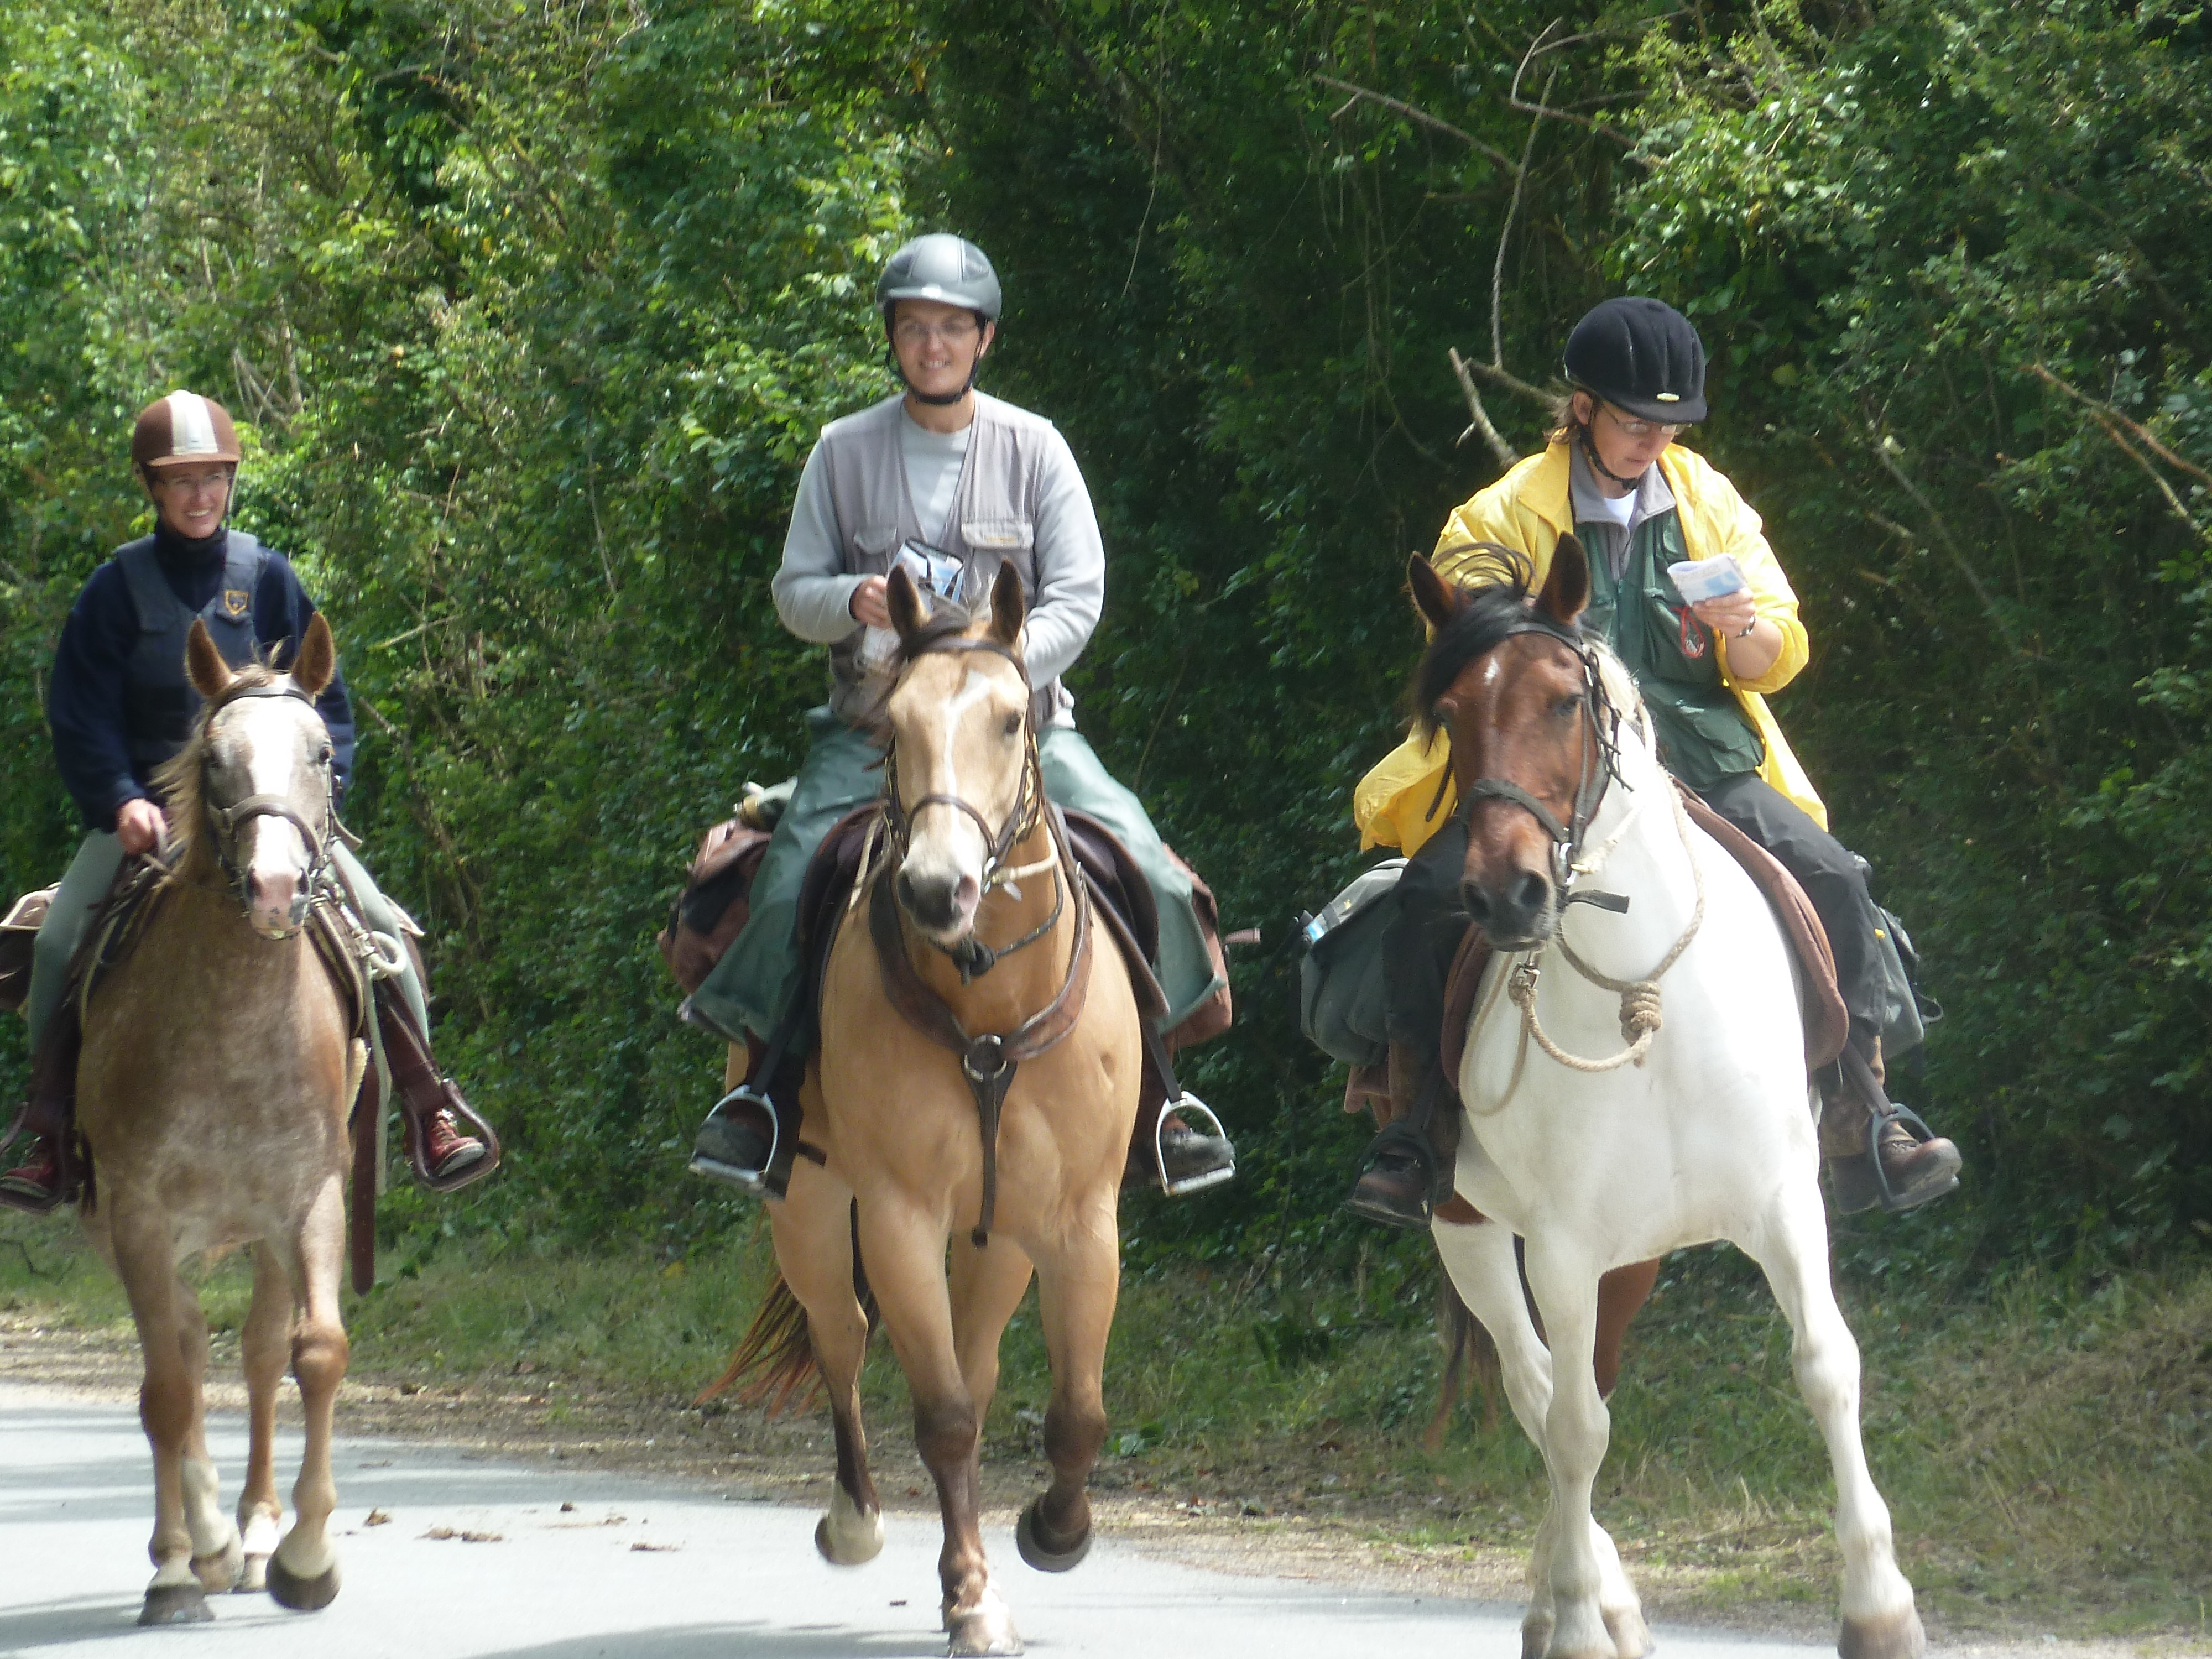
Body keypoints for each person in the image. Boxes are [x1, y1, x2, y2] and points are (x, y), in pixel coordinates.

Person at [1344, 296, 1963, 1228]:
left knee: (1834, 875)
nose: (1655, 441)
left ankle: (1861, 1112)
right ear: (1582, 408)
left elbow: (1778, 654)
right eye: (1636, 421)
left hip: (1700, 755)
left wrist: (1742, 628)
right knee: (1430, 898)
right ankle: (1417, 1130)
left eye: (1670, 425)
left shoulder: (1709, 500)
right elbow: (1467, 641)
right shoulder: (1500, 512)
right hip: (1553, 762)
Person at [682, 233, 1233, 1194]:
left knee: (1148, 866)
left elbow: (1081, 595)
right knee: (788, 884)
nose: (931, 345)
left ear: (985, 338)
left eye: (950, 327)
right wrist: (848, 598)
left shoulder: (1037, 448)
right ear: (892, 338)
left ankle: (1160, 1098)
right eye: (913, 327)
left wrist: (999, 680)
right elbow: (792, 592)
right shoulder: (840, 452)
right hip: (877, 733)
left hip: (1022, 735)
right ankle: (765, 1098)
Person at [0, 390, 491, 1212]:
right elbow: (80, 714)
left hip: (271, 817)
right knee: (56, 945)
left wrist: (309, 801)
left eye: (214, 479)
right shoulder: (115, 590)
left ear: (231, 483)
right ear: (153, 488)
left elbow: (327, 707)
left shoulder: (267, 576)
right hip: (151, 824)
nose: (201, 496)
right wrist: (120, 800)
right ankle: (47, 1128)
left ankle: (429, 1105)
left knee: (382, 932)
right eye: (181, 480)